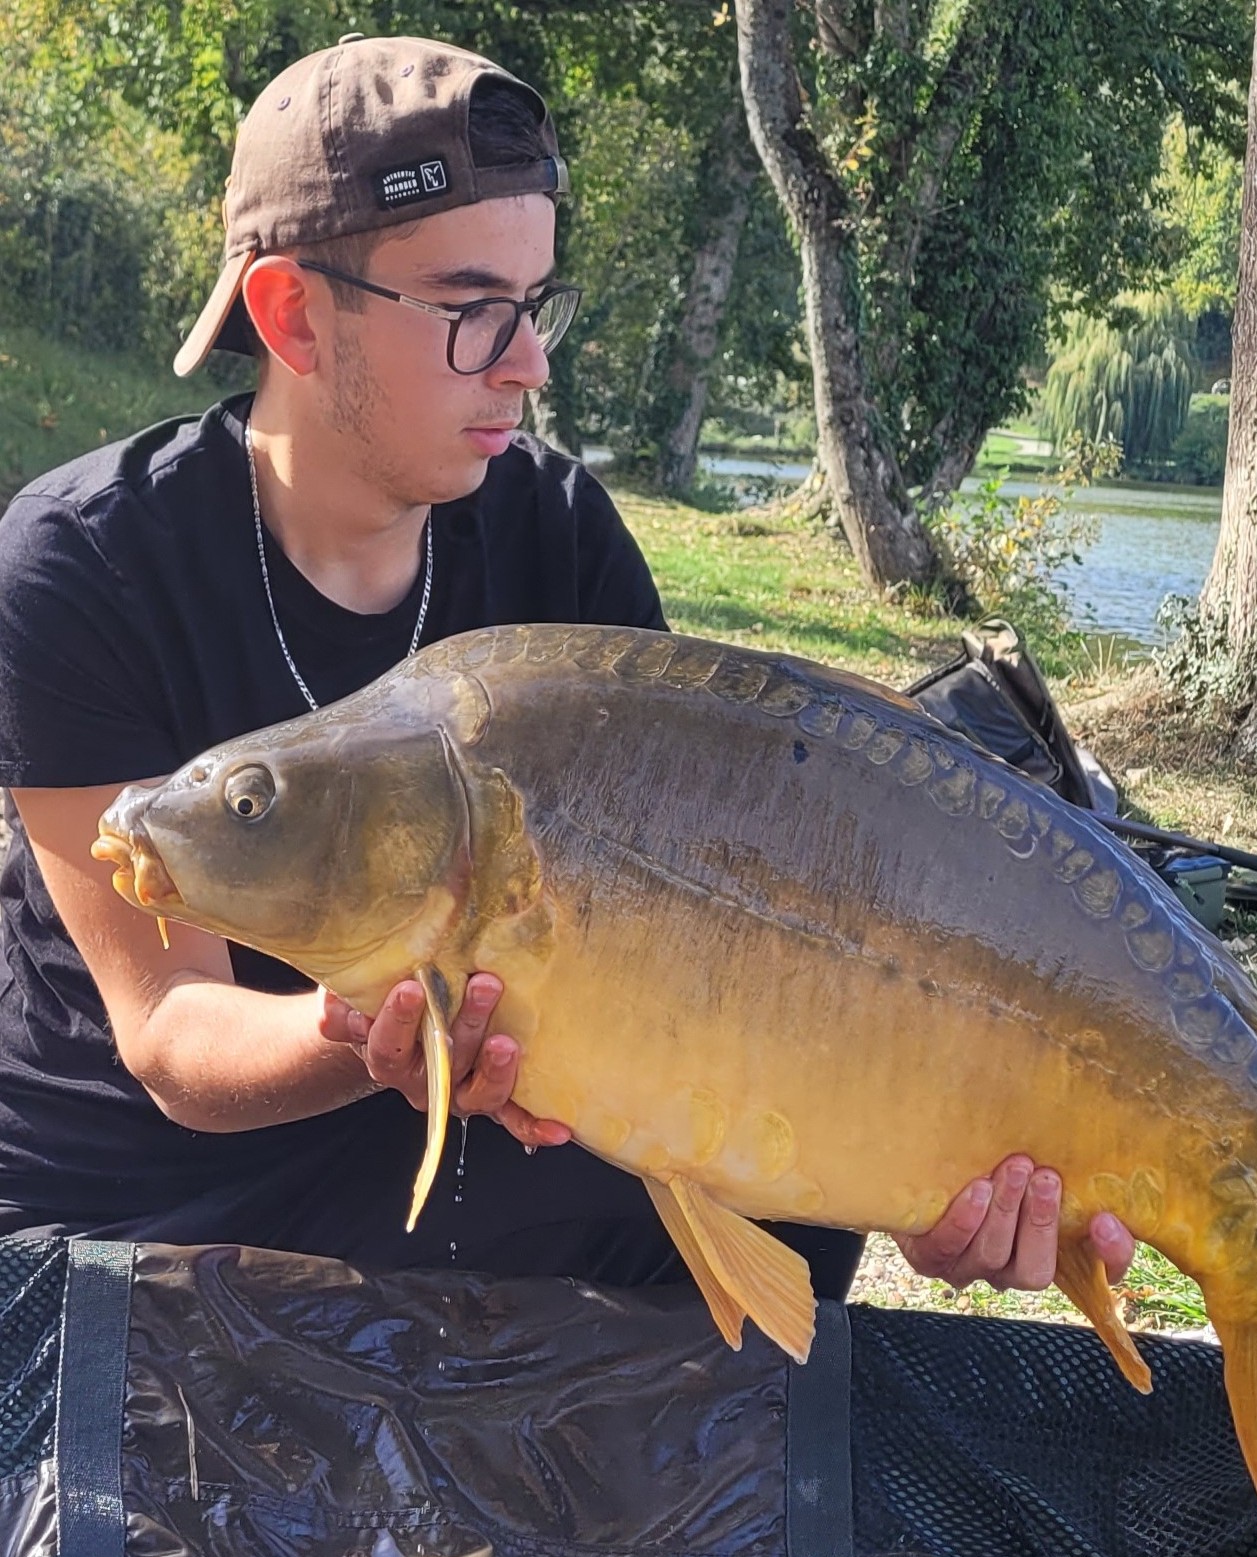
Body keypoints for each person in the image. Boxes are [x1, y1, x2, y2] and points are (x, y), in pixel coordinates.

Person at [0, 35, 1135, 1302]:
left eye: (536, 307)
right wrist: (386, 1040)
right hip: (148, 1201)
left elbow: (718, 952)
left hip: (469, 1160)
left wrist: (916, 1164)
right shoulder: (79, 565)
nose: (527, 363)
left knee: (788, 1228)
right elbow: (168, 1035)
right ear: (291, 315)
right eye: (472, 308)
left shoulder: (557, 536)